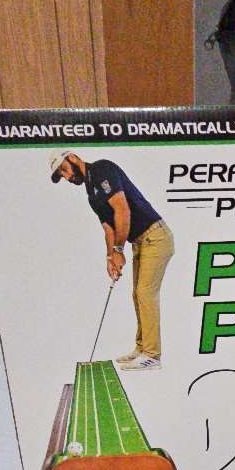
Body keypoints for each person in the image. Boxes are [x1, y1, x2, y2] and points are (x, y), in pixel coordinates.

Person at [50, 148, 174, 372]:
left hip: (156, 236)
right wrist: (110, 257)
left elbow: (123, 211)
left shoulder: (102, 169)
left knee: (146, 293)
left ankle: (152, 355)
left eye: (65, 170)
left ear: (73, 158)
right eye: (62, 175)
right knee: (137, 294)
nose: (67, 177)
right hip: (140, 242)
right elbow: (109, 229)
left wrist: (118, 249)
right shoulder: (91, 194)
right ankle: (142, 348)